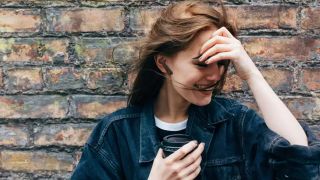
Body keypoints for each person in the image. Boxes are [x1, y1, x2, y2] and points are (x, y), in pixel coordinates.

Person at [71, 1, 320, 179]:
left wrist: (251, 73)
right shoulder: (116, 135)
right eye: (201, 63)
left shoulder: (235, 124)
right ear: (164, 64)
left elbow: (302, 165)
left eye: (222, 62)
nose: (215, 75)